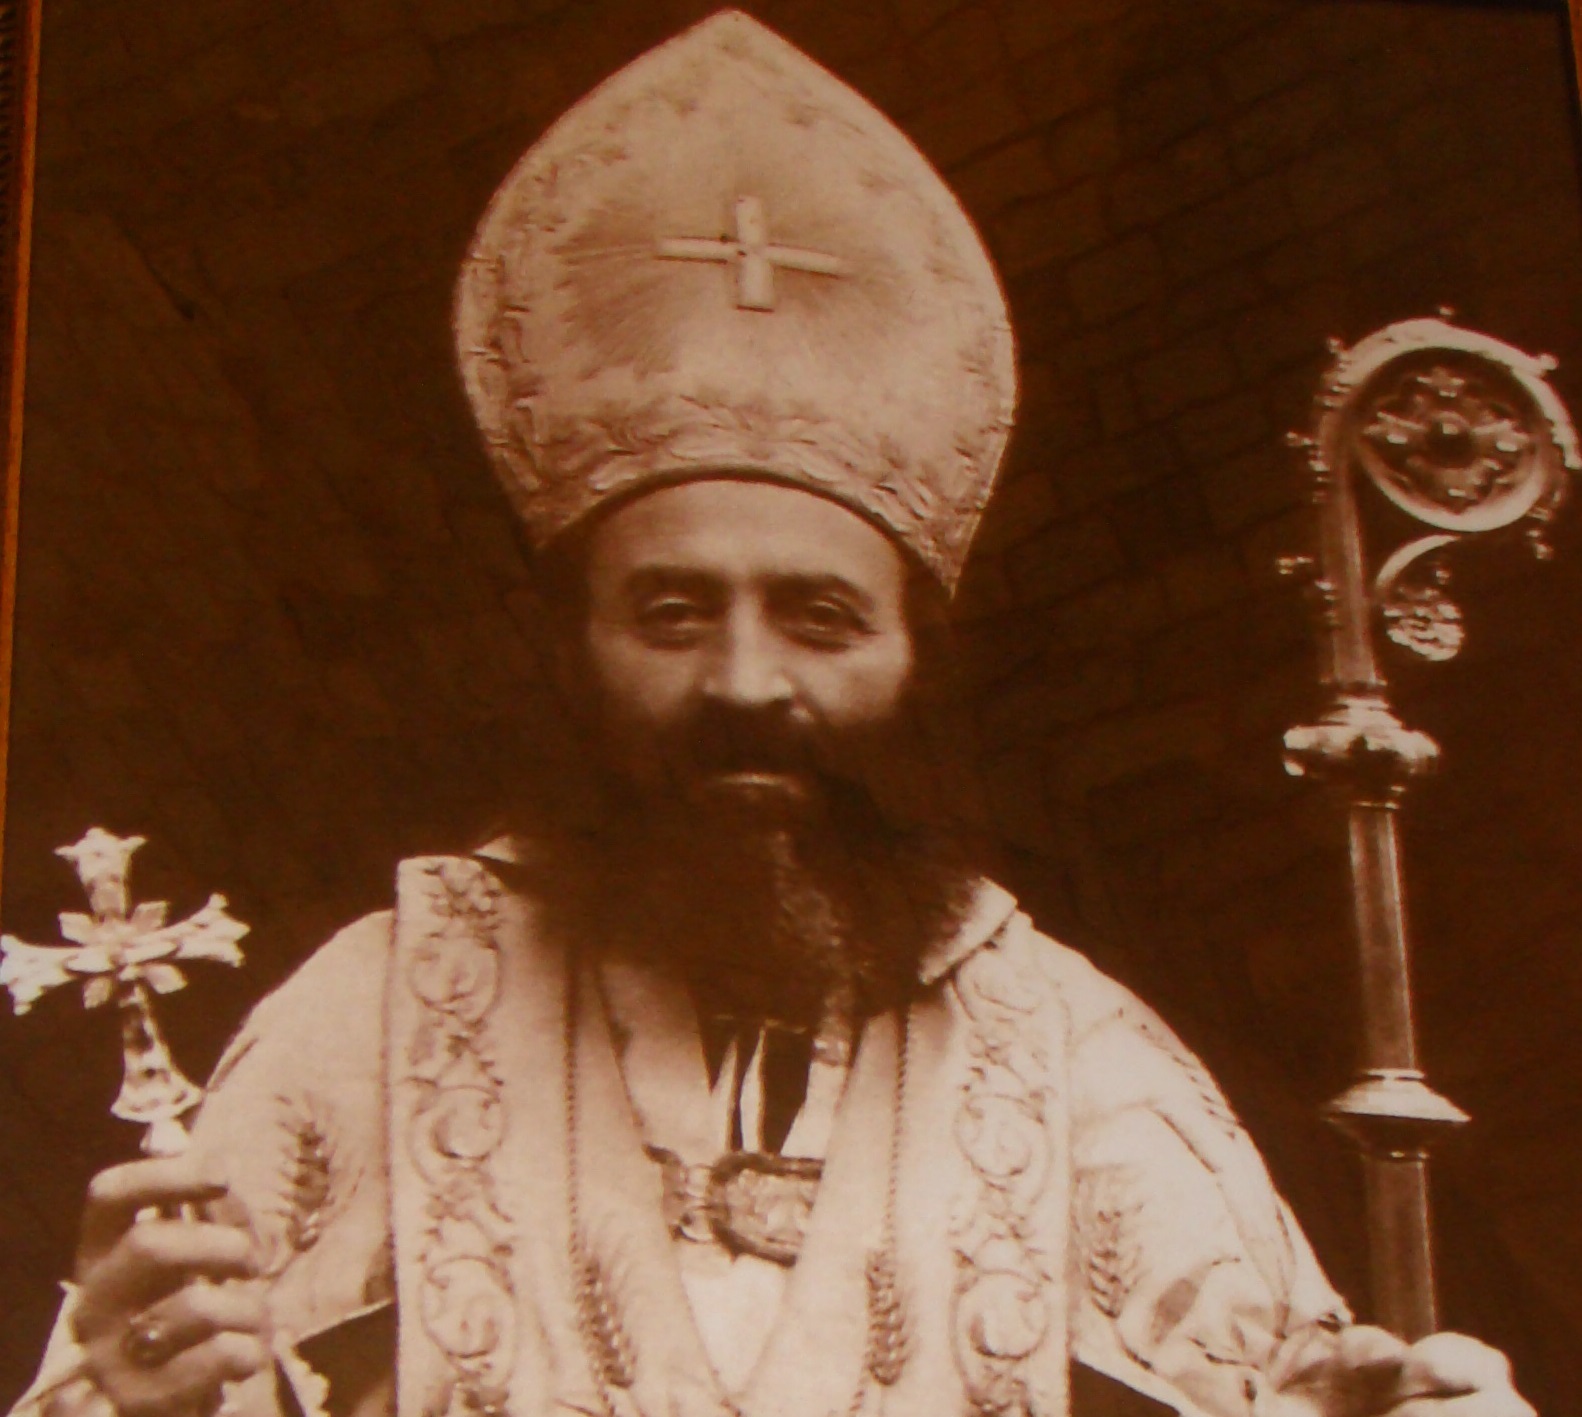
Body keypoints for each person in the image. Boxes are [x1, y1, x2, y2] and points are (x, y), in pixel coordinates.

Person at [8, 11, 1535, 1417]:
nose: (744, 681)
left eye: (819, 615)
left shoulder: (1070, 1052)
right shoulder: (378, 1009)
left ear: (915, 663)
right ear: (571, 650)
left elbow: (1299, 1396)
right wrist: (129, 1400)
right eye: (672, 612)